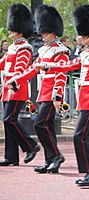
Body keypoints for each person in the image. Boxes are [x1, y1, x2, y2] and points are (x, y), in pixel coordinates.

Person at [36, 4, 89, 187]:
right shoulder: (86, 54)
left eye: (83, 35)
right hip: (85, 101)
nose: (80, 38)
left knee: (79, 135)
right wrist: (47, 66)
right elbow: (67, 66)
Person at [7, 4, 70, 173]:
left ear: (53, 32)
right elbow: (32, 70)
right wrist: (16, 78)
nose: (41, 34)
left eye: (45, 31)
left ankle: (56, 156)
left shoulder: (61, 51)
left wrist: (58, 96)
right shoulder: (43, 50)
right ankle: (51, 160)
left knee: (39, 124)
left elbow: (61, 74)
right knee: (47, 126)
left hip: (52, 93)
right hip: (44, 92)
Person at [0, 3, 40, 167]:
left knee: (9, 119)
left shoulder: (25, 48)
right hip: (7, 89)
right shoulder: (12, 47)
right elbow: (3, 63)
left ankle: (31, 146)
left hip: (17, 88)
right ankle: (11, 157)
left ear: (19, 30)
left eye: (12, 28)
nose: (9, 31)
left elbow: (20, 69)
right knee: (7, 122)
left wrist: (13, 83)